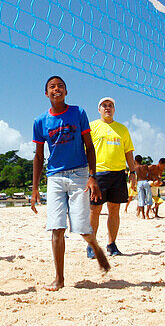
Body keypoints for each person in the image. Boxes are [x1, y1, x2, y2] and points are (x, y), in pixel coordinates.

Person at [31, 76, 110, 290]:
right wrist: (35, 188)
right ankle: (59, 279)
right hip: (55, 176)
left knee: (82, 227)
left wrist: (92, 176)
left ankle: (95, 246)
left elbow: (90, 147)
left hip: (79, 173)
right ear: (46, 93)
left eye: (61, 86)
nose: (57, 89)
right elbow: (38, 157)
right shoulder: (40, 122)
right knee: (56, 227)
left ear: (66, 92)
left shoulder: (78, 113)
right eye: (52, 87)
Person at [88, 97, 136, 257]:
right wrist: (89, 175)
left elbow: (129, 152)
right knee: (95, 210)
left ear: (114, 110)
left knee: (114, 210)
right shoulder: (92, 127)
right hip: (98, 174)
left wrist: (133, 173)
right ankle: (92, 245)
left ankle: (112, 244)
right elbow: (85, 151)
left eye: (110, 106)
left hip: (118, 174)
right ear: (99, 109)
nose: (107, 108)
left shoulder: (122, 129)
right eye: (104, 106)